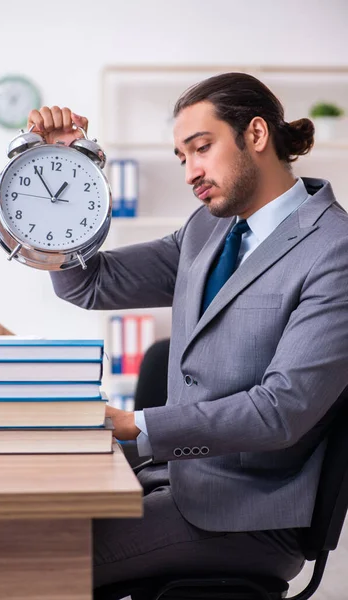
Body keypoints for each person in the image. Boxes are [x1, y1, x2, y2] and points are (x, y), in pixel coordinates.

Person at [27, 72, 348, 593]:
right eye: (182, 157)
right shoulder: (209, 228)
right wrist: (65, 171)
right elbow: (89, 283)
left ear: (257, 135)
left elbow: (281, 410)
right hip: (172, 480)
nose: (191, 172)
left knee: (35, 562)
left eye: (201, 148)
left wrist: (134, 424)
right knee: (19, 523)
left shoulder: (334, 249)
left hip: (247, 516)